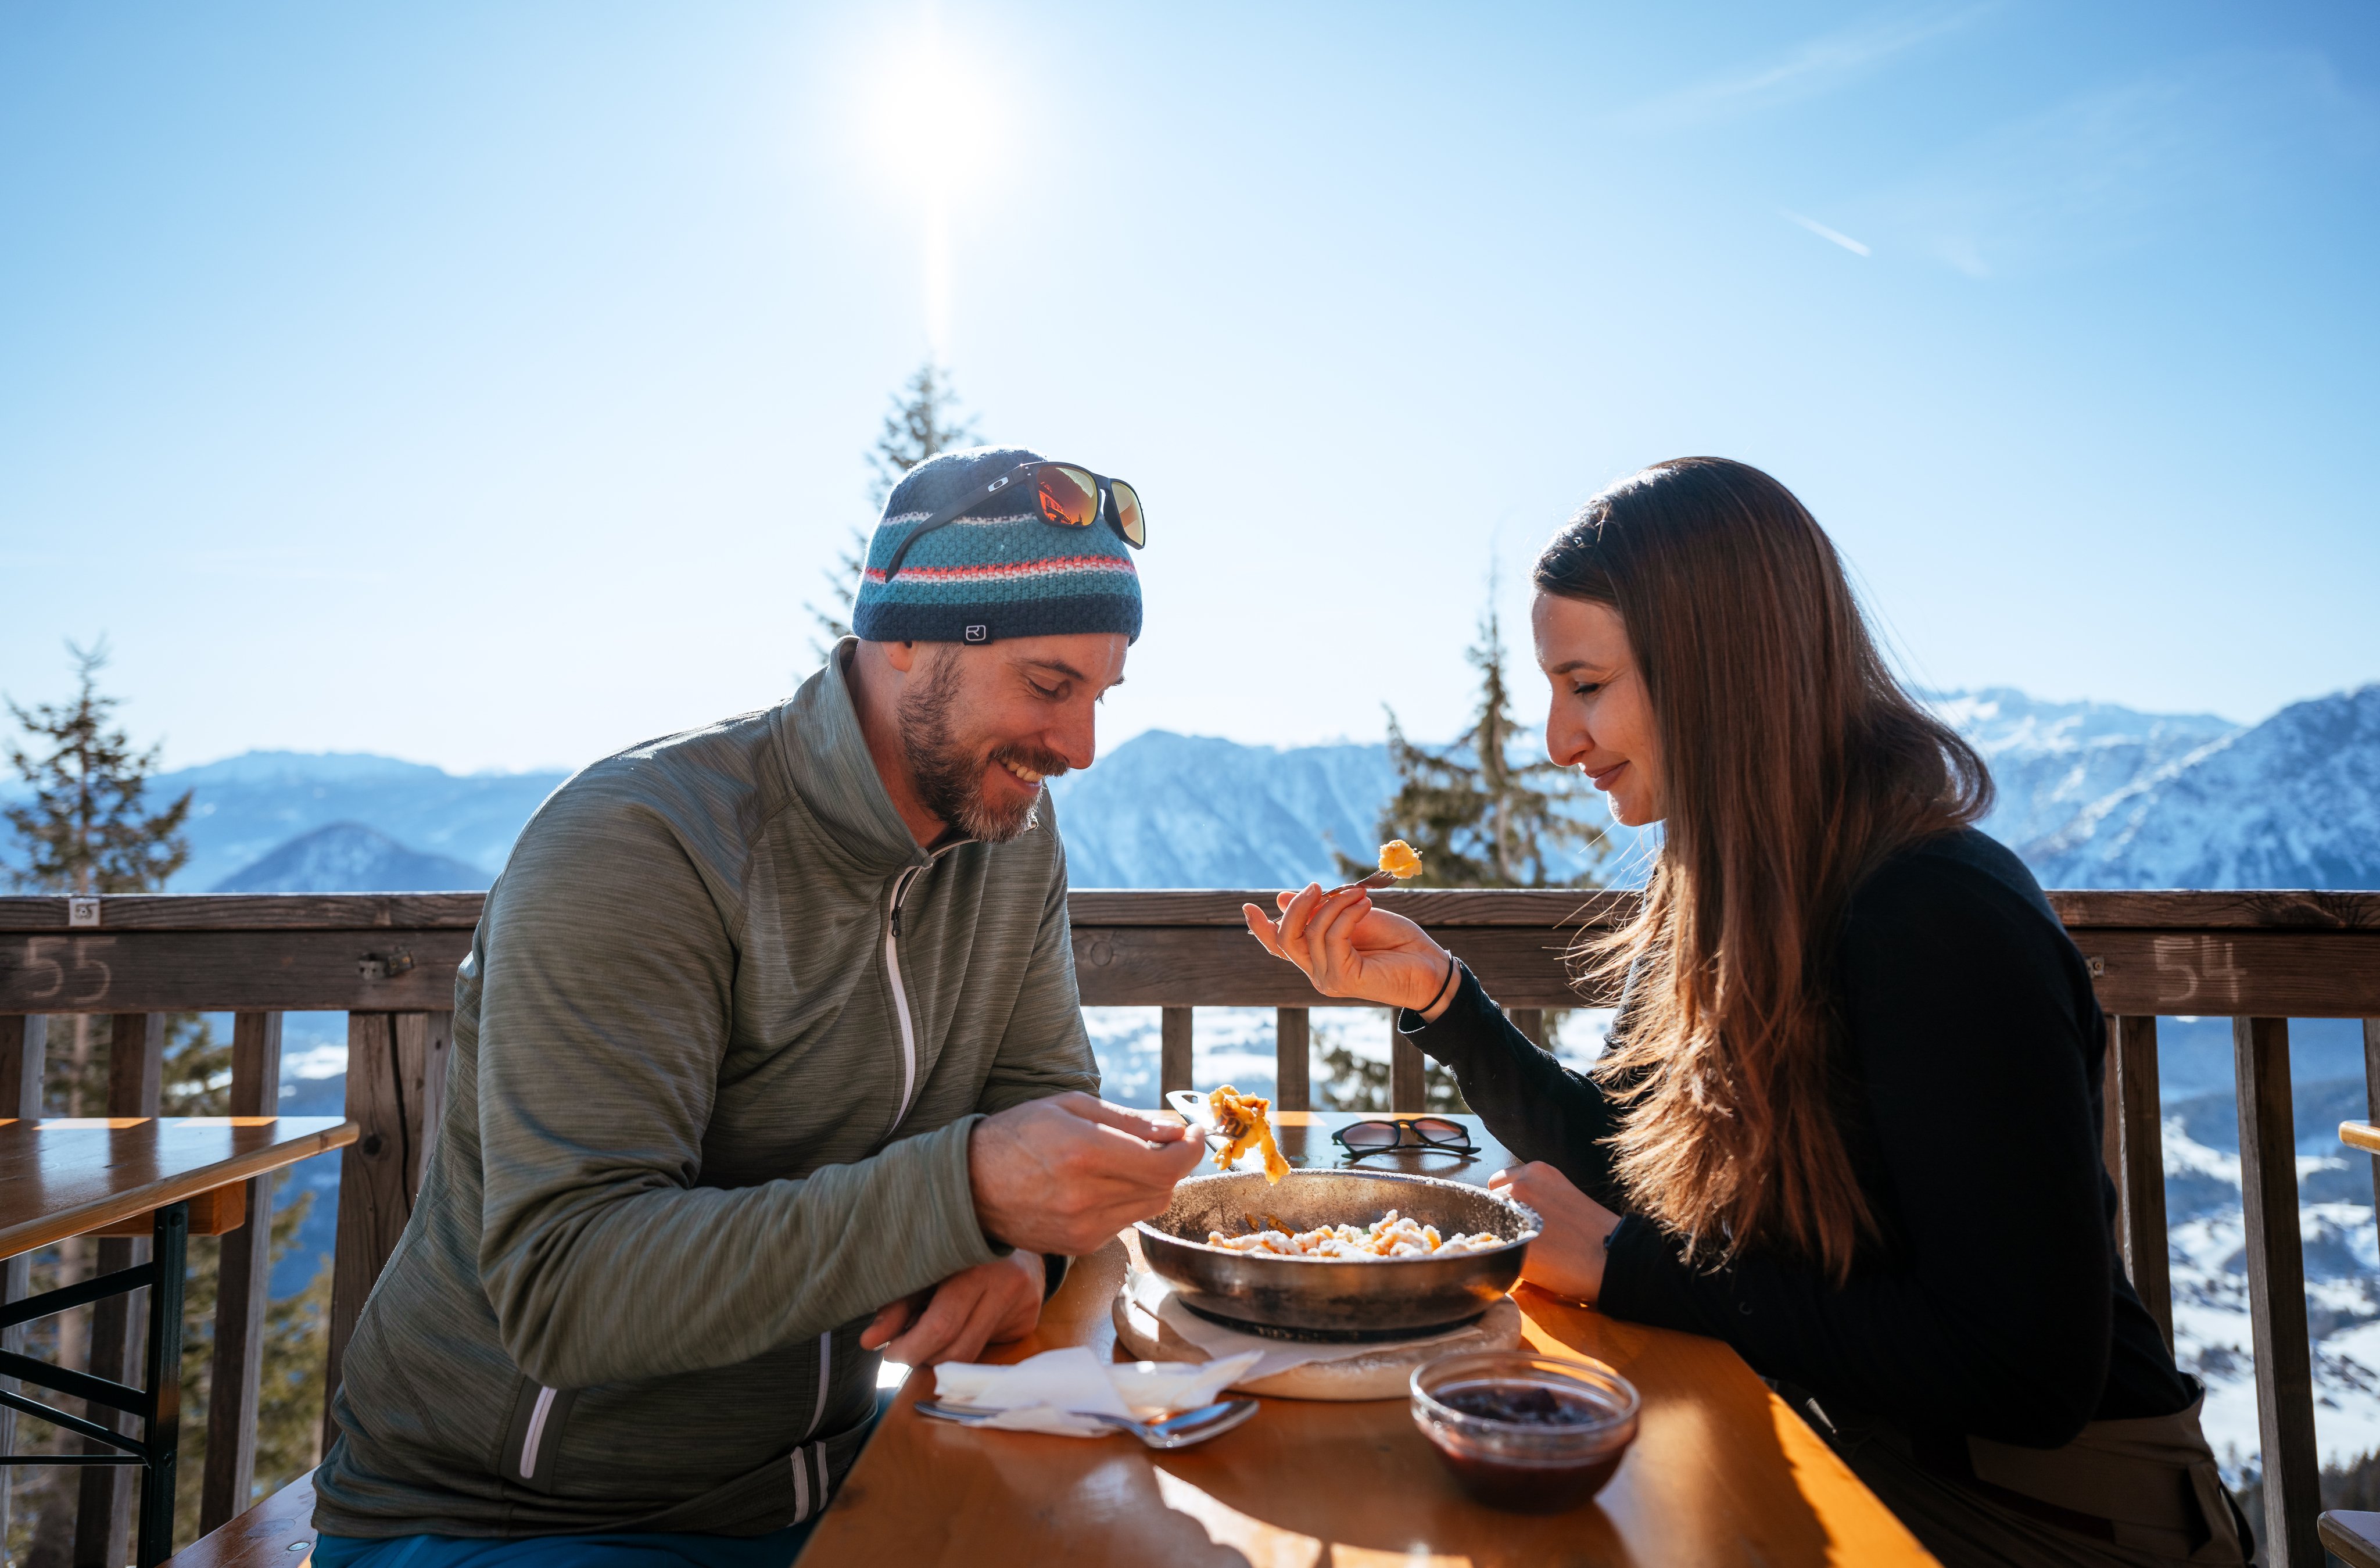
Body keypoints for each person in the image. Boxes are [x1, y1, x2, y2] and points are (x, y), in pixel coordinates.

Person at [1246, 458, 2247, 1567]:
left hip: (2054, 1513)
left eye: (1585, 685)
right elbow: (1625, 1177)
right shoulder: (1716, 896)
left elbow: (2024, 1371)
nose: (1556, 739)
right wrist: (1444, 1003)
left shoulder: (1937, 915)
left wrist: (1628, 1272)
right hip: (1846, 1448)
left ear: (1718, 672)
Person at [310, 446, 1203, 1567]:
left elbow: (1038, 1099)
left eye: (1100, 695)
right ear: (906, 642)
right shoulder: (644, 843)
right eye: (1047, 685)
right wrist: (968, 1189)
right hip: (517, 1519)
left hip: (823, 1475)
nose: (1078, 749)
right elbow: (568, 1288)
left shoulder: (1005, 839)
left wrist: (1020, 1252)